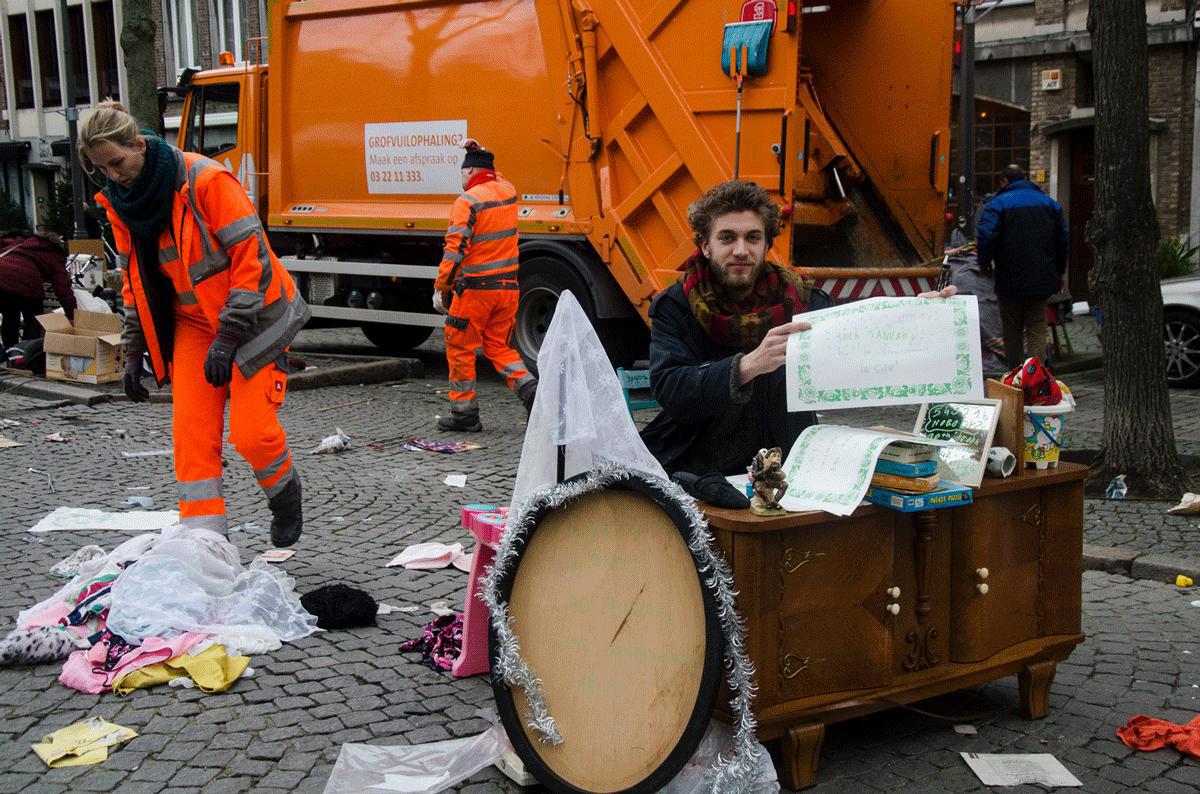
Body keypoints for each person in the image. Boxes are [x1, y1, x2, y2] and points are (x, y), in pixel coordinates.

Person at [80, 101, 310, 546]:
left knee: (251, 433)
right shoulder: (122, 204)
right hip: (194, 324)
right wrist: (133, 350)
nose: (113, 175)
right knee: (191, 437)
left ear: (138, 145)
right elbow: (135, 282)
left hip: (255, 318)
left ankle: (285, 495)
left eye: (117, 162)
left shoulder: (206, 180)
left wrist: (228, 335)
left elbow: (253, 259)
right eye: (100, 168)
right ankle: (205, 546)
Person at [640, 180, 830, 478]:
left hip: (790, 467)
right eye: (727, 238)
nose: (740, 250)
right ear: (705, 245)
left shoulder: (802, 301)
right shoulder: (677, 306)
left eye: (752, 238)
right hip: (701, 469)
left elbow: (860, 345)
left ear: (767, 244)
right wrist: (745, 366)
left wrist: (917, 314)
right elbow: (671, 388)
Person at [431, 140, 536, 431]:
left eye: (463, 172)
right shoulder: (508, 191)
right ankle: (531, 393)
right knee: (498, 347)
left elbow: (455, 250)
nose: (461, 179)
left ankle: (465, 415)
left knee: (459, 345)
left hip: (477, 292)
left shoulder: (467, 202)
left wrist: (442, 288)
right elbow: (494, 174)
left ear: (471, 172)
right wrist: (481, 150)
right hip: (508, 289)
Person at [976, 164, 1068, 367]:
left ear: (1004, 181)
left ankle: (1016, 376)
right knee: (1036, 326)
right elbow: (1063, 240)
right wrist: (1059, 271)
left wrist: (984, 264)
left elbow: (986, 236)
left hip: (1009, 277)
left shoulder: (998, 204)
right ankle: (1036, 377)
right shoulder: (1049, 204)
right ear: (1026, 178)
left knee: (1012, 328)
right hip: (1041, 277)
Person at [0, 229, 76, 349]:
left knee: (10, 315)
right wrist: (72, 316)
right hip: (27, 282)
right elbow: (63, 290)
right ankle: (24, 354)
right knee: (34, 319)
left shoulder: (19, 246)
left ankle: (10, 353)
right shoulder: (53, 254)